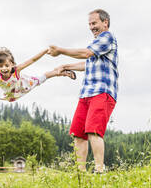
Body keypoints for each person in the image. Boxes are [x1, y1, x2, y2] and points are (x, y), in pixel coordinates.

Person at [48, 9, 118, 173]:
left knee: (93, 131)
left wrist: (60, 51)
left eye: (94, 23)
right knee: (79, 134)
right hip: (86, 93)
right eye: (89, 24)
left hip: (102, 91)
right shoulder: (95, 45)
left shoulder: (107, 37)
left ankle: (99, 170)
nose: (91, 27)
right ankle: (81, 173)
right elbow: (87, 63)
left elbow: (86, 53)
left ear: (105, 22)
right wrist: (65, 66)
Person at [0, 47, 76, 102]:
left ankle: (62, 72)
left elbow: (32, 60)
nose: (4, 68)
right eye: (1, 66)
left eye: (6, 65)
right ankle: (60, 72)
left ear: (11, 64)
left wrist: (44, 51)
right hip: (13, 93)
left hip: (24, 85)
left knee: (43, 77)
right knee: (42, 78)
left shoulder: (16, 69)